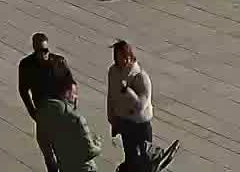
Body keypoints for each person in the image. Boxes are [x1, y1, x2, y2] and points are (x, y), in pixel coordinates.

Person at [34, 63, 102, 172]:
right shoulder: (76, 119)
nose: (76, 97)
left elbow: (42, 141)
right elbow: (90, 152)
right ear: (66, 93)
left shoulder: (44, 112)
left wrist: (51, 160)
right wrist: (97, 144)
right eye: (74, 93)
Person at [19, 33, 64, 172]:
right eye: (40, 51)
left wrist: (70, 107)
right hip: (42, 113)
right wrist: (32, 112)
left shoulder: (58, 62)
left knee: (61, 150)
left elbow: (70, 85)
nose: (43, 54)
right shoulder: (26, 65)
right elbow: (23, 90)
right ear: (34, 49)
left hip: (59, 113)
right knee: (47, 151)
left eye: (45, 50)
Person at [107, 40, 153, 170]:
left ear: (130, 57)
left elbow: (140, 107)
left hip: (140, 124)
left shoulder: (141, 78)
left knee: (145, 159)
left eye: (125, 57)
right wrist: (112, 118)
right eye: (118, 57)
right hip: (124, 121)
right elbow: (111, 96)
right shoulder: (113, 72)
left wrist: (128, 92)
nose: (123, 61)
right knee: (130, 157)